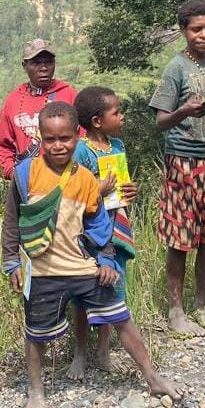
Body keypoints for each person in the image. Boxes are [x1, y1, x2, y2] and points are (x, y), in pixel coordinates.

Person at [1, 102, 181, 408]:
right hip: (42, 271)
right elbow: (12, 222)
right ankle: (35, 391)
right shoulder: (25, 174)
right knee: (35, 332)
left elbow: (99, 225)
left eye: (65, 139)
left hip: (83, 267)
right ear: (40, 138)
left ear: (77, 136)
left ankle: (152, 377)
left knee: (121, 317)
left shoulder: (85, 178)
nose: (58, 146)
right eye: (50, 139)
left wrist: (108, 262)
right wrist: (12, 263)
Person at [147, 0, 205, 337]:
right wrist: (184, 112)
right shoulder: (176, 68)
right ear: (184, 31)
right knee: (180, 236)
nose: (203, 35)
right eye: (196, 29)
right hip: (183, 162)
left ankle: (202, 304)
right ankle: (176, 310)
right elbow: (160, 121)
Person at [67, 85, 137, 378]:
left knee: (113, 289)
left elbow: (122, 186)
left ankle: (104, 350)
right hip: (90, 233)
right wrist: (98, 188)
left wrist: (129, 191)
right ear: (97, 121)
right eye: (116, 112)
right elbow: (71, 193)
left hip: (115, 227)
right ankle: (80, 352)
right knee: (86, 294)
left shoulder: (117, 147)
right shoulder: (81, 151)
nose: (122, 117)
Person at [0, 38, 76, 179]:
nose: (43, 68)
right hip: (26, 183)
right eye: (36, 63)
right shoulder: (13, 100)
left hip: (65, 181)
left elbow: (84, 138)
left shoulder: (69, 95)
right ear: (24, 65)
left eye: (48, 62)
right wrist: (12, 172)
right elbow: (3, 144)